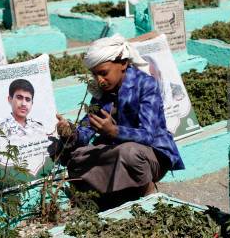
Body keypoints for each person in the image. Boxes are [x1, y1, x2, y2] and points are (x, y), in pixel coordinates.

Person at [54, 35, 184, 206]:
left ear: (123, 64)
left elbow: (148, 136)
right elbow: (86, 131)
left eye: (103, 73)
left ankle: (149, 193)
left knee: (129, 152)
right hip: (118, 152)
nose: (99, 80)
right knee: (77, 158)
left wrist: (114, 131)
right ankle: (113, 196)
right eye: (95, 75)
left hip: (152, 156)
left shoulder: (146, 85)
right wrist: (70, 133)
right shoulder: (102, 93)